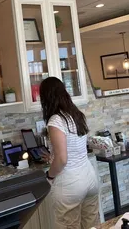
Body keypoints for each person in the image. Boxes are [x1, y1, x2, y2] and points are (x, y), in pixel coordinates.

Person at [40, 77, 99, 229]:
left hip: (70, 185)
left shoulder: (56, 120)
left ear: (46, 97)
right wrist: (53, 157)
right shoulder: (76, 114)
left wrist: (50, 176)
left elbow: (62, 159)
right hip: (89, 178)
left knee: (68, 226)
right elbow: (75, 148)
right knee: (91, 225)